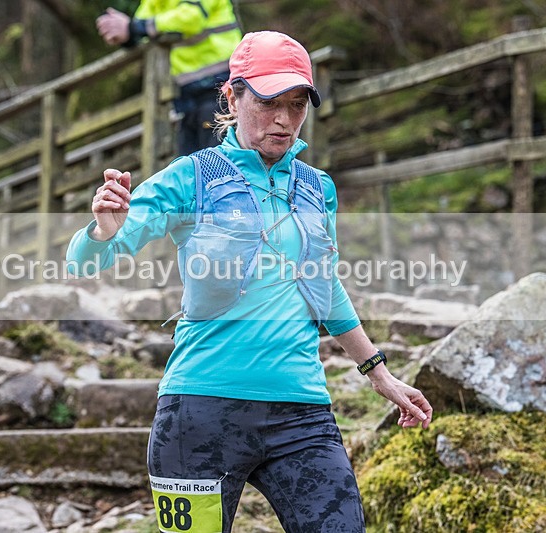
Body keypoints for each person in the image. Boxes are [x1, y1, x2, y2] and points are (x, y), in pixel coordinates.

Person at [67, 31, 433, 533]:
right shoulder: (189, 178)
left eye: (297, 104)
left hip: (301, 415)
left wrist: (379, 373)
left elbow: (322, 285)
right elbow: (85, 261)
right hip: (199, 414)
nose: (283, 119)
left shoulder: (316, 188)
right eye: (267, 103)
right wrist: (102, 229)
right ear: (232, 96)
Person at [96, 0, 242, 155]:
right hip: (187, 100)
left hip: (221, 89)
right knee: (190, 167)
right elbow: (142, 29)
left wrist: (133, 28)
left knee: (220, 162)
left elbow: (190, 19)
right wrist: (126, 33)